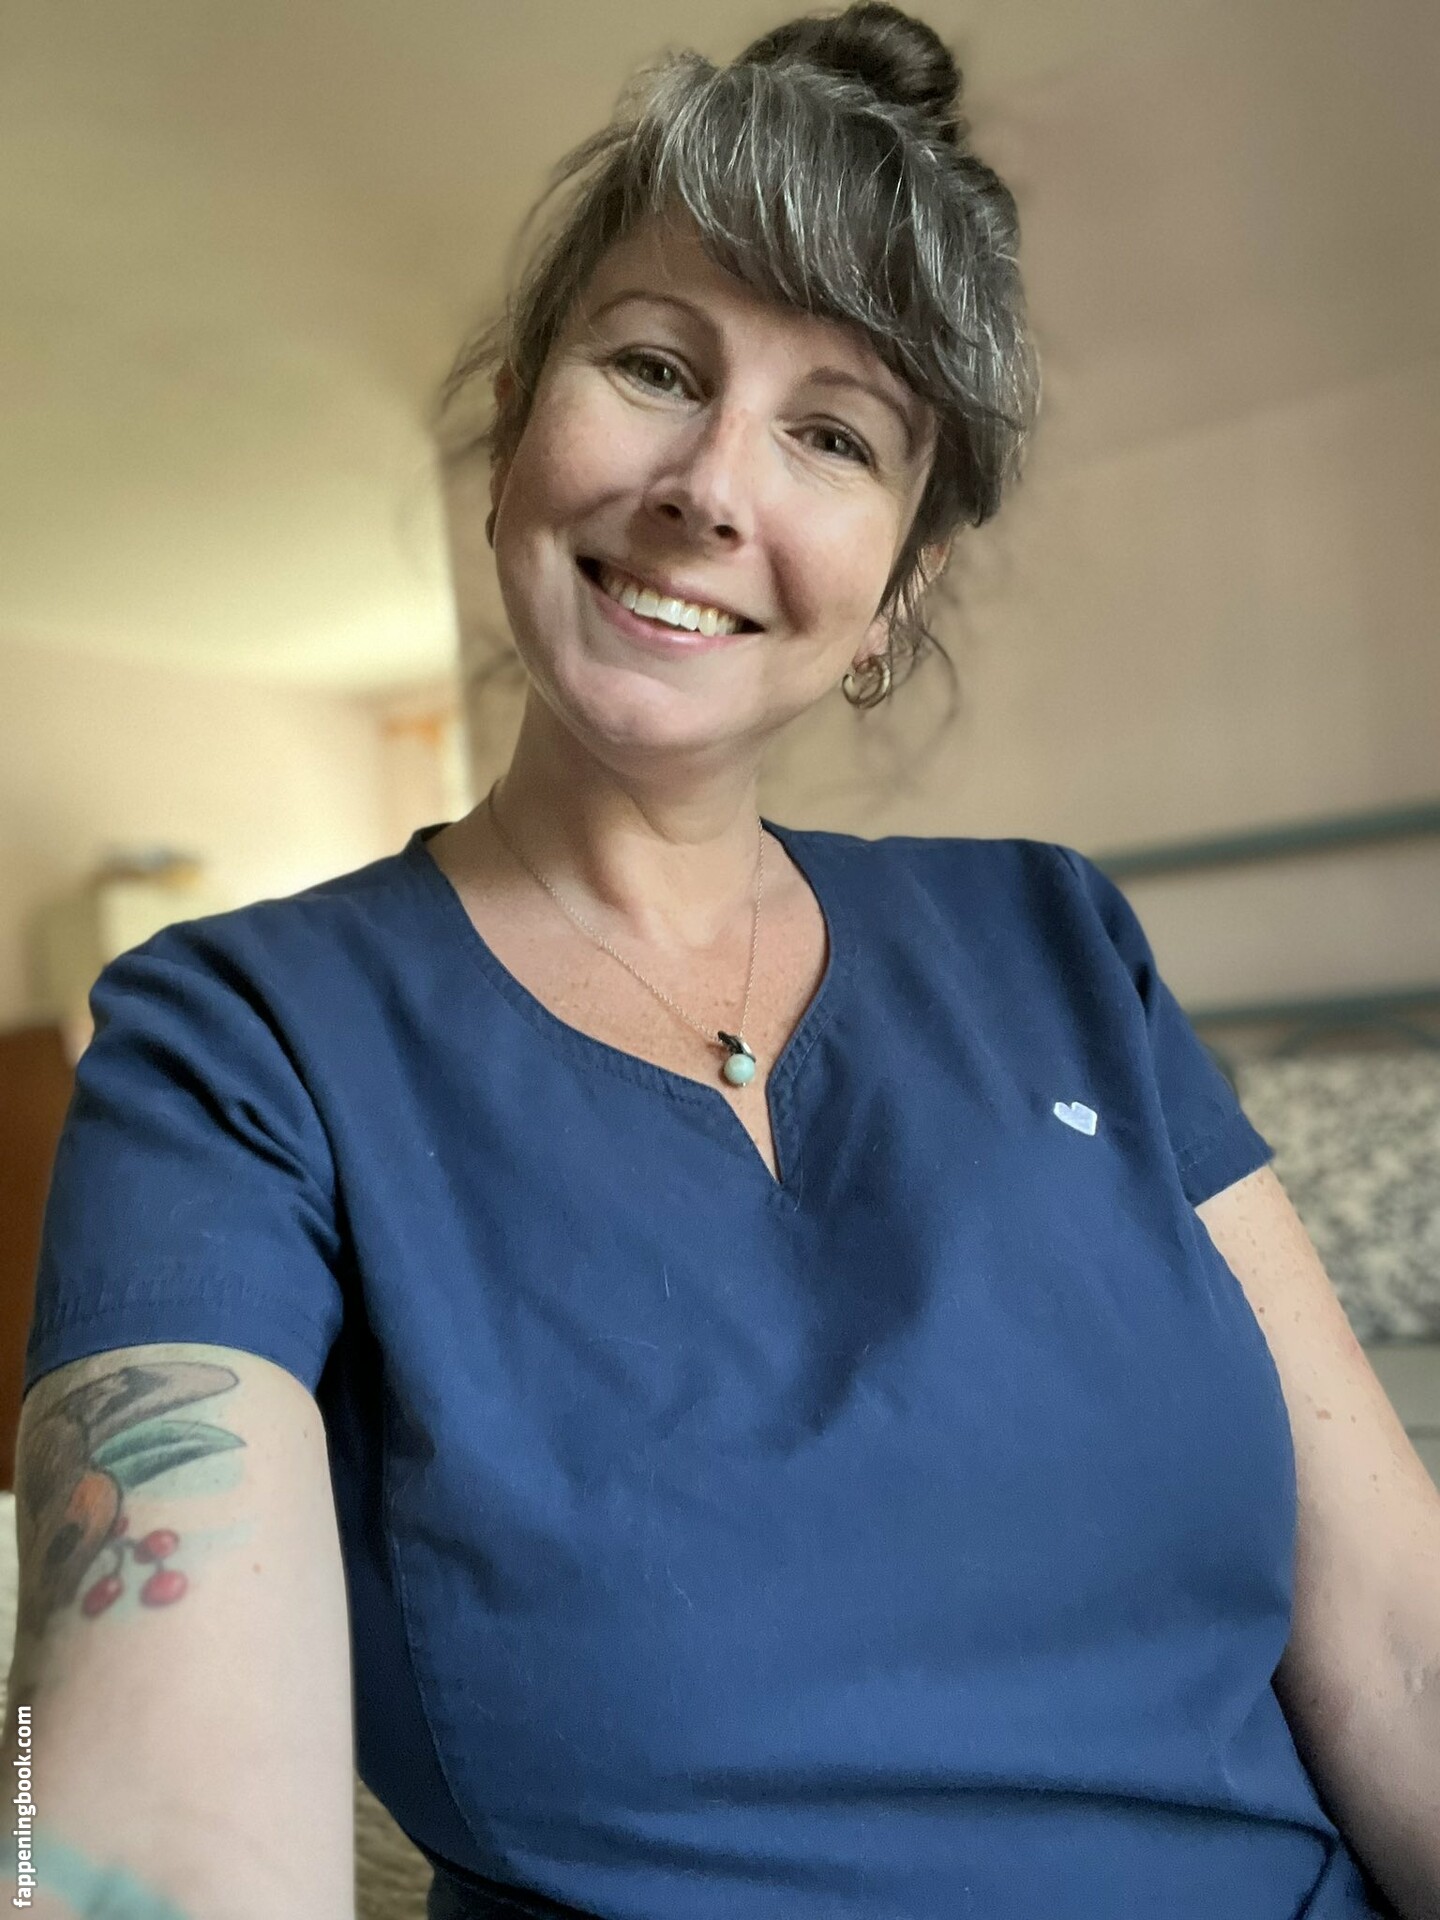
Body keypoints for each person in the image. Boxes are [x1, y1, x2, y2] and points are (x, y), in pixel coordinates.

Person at [5, 6, 1433, 1917]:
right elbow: (141, 1844)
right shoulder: (235, 1039)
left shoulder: (1061, 940)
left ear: (901, 583)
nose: (711, 487)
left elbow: (1403, 1650)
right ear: (515, 426)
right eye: (655, 366)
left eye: (833, 434)